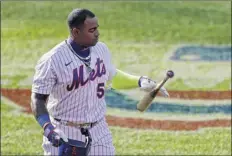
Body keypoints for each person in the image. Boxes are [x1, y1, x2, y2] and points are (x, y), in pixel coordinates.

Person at [30, 8, 169, 156]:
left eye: (97, 28)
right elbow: (37, 98)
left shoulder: (101, 49)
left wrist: (140, 81)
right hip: (65, 133)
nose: (97, 33)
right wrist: (48, 128)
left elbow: (111, 76)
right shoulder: (53, 60)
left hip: (98, 130)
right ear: (76, 32)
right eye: (92, 30)